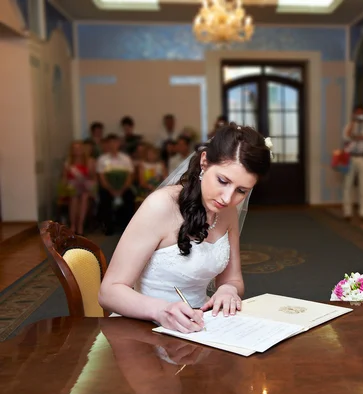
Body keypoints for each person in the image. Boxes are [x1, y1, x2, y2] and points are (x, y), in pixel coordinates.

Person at [98, 123, 272, 333]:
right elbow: (109, 292)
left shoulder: (228, 212)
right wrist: (161, 311)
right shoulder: (160, 206)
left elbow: (233, 279)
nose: (228, 198)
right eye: (223, 181)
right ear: (205, 162)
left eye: (241, 191)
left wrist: (228, 289)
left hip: (202, 323)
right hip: (146, 326)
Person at [342, 104, 363, 219]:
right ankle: (347, 212)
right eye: (357, 113)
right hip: (350, 157)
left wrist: (352, 136)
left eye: (361, 113)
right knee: (348, 185)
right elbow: (346, 137)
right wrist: (352, 123)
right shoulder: (349, 126)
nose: (359, 115)